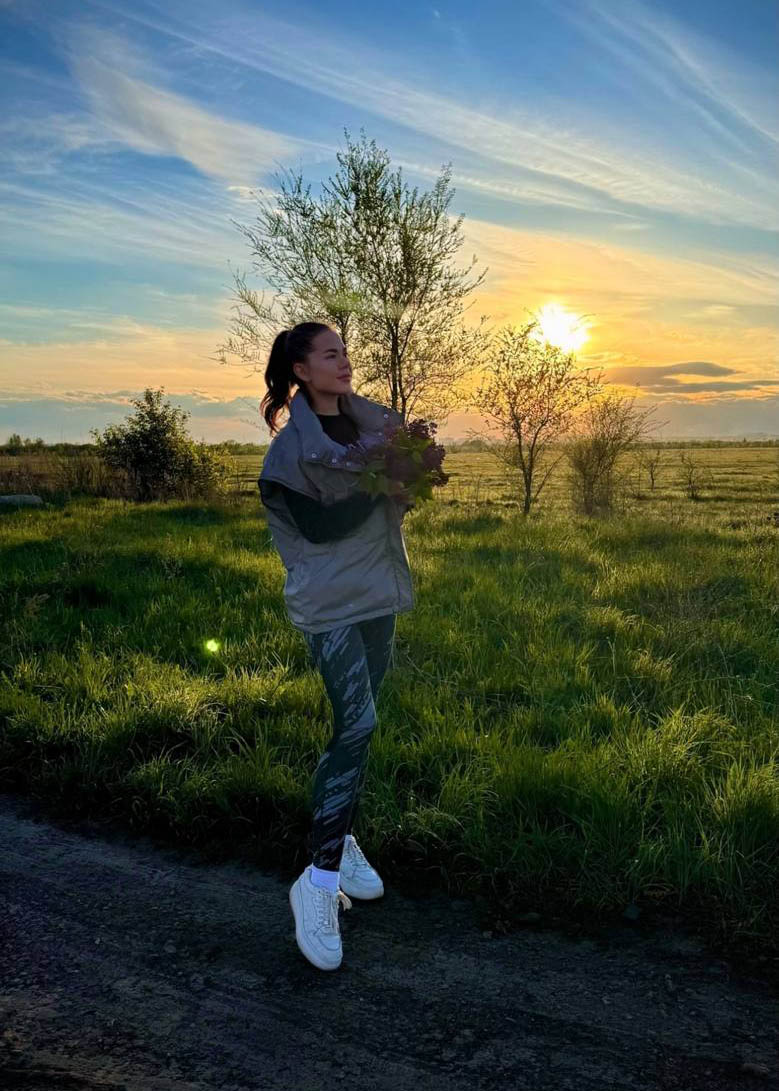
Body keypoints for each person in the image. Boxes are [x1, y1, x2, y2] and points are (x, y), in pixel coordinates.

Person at [257, 322, 415, 971]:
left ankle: (339, 833)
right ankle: (317, 883)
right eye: (330, 354)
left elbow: (389, 503)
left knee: (355, 731)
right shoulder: (289, 452)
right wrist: (382, 483)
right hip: (329, 608)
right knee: (359, 723)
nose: (345, 362)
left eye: (345, 352)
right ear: (301, 368)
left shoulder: (369, 427)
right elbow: (321, 527)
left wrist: (405, 480)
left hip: (377, 594)